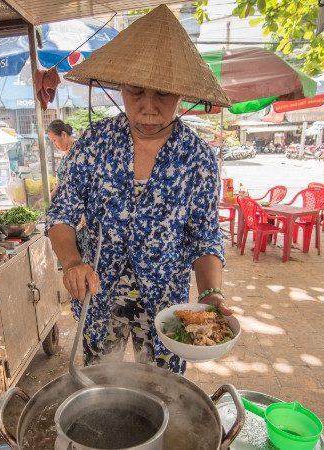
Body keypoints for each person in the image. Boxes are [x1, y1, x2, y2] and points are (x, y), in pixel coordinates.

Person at [46, 4, 232, 375]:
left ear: (182, 92)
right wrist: (71, 262)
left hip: (165, 305)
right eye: (135, 91)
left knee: (164, 392)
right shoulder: (94, 142)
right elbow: (61, 214)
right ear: (120, 88)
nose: (148, 107)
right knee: (99, 387)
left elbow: (205, 238)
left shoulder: (197, 158)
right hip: (98, 295)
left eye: (163, 93)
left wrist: (212, 293)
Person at [47, 119, 74, 190]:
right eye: (52, 142)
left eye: (54, 140)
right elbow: (61, 182)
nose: (54, 145)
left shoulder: (77, 153)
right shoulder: (67, 153)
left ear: (63, 135)